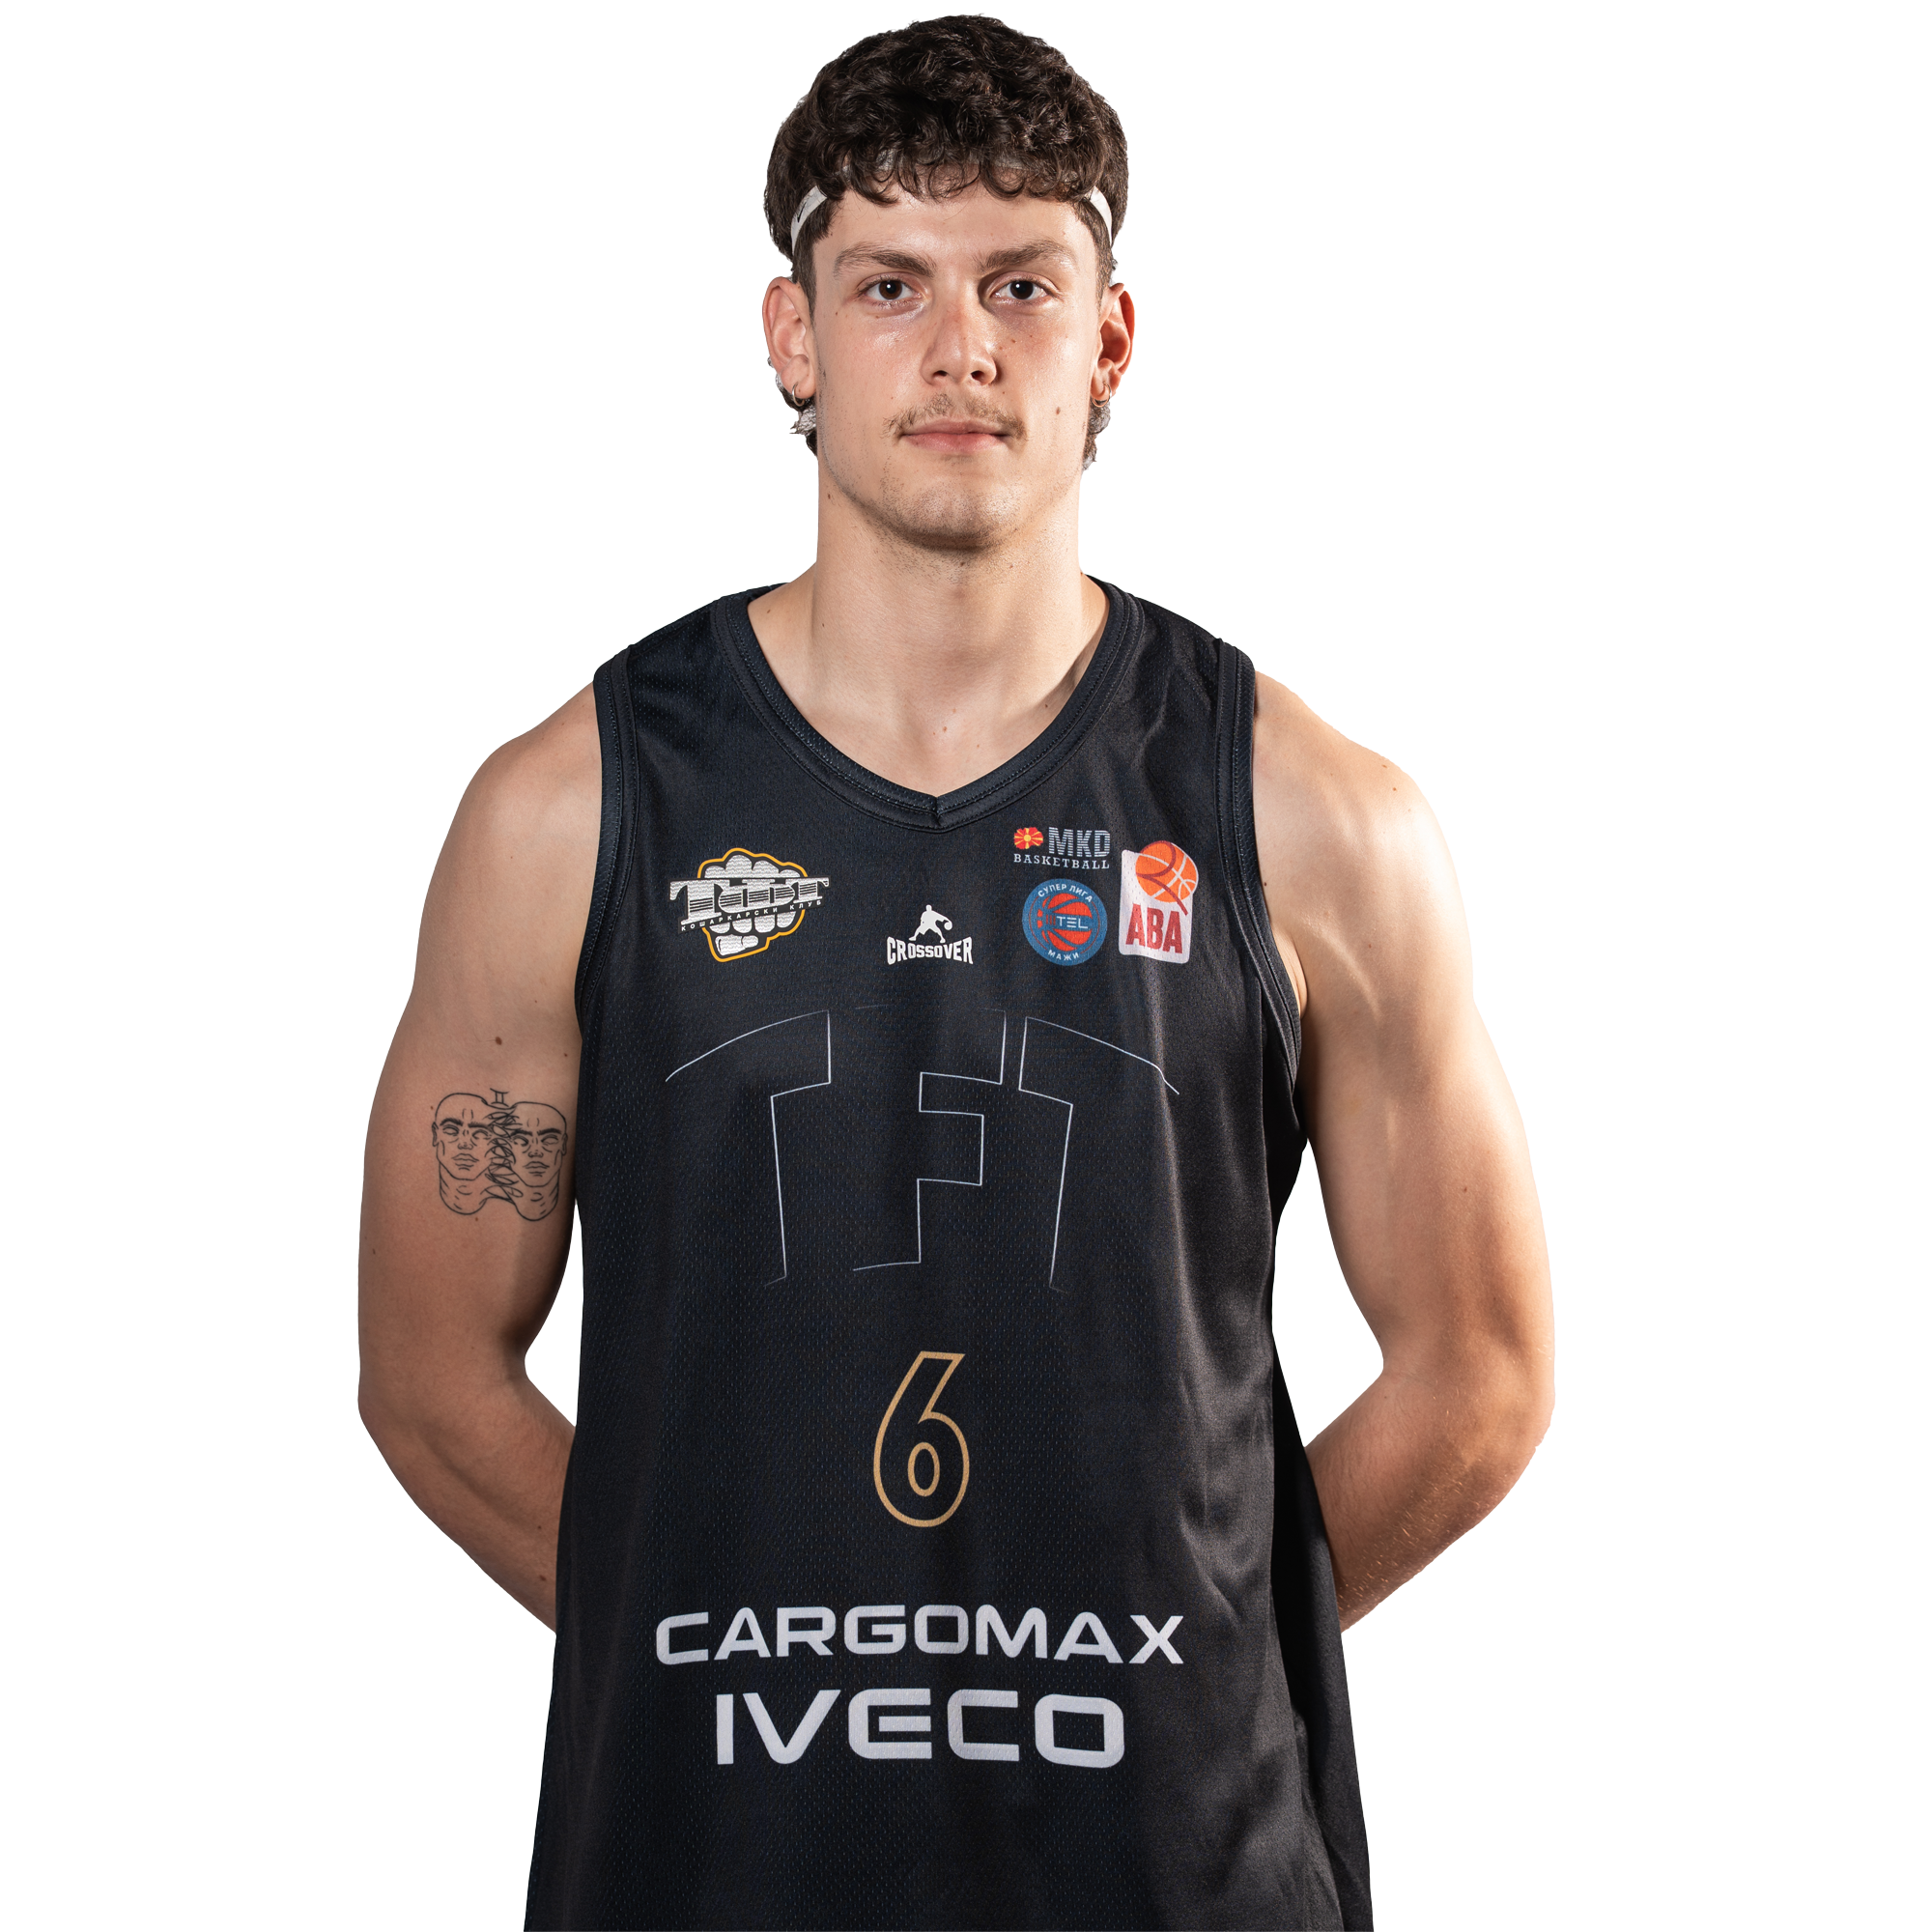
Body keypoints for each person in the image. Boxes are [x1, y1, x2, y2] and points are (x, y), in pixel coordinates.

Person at [357, 16, 1553, 1928]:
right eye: (889, 284)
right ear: (793, 337)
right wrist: (716, 1653)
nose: (962, 347)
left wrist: (1193, 1648)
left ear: (1111, 337)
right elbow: (431, 1377)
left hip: (1185, 1874)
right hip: (709, 1873)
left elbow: (1477, 1371)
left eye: (1020, 283)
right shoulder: (566, 811)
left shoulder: (1318, 819)